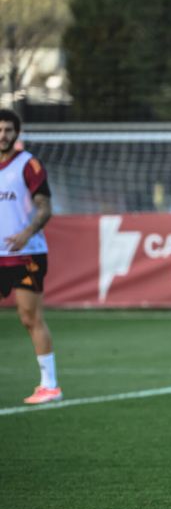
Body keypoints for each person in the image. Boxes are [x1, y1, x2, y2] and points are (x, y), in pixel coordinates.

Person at [0, 108, 61, 405]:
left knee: (29, 317)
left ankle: (50, 385)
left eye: (8, 130)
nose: (3, 135)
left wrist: (26, 233)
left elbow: (45, 207)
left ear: (16, 133)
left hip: (25, 254)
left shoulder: (28, 165)